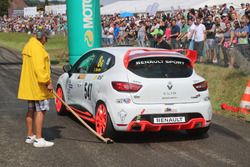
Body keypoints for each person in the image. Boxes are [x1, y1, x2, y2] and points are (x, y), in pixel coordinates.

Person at [18, 31, 54, 147]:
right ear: (41, 37)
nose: (46, 41)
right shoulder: (37, 48)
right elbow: (39, 68)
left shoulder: (28, 46)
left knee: (31, 109)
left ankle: (30, 135)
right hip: (39, 86)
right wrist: (47, 81)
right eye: (46, 38)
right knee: (41, 110)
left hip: (30, 85)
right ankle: (39, 139)